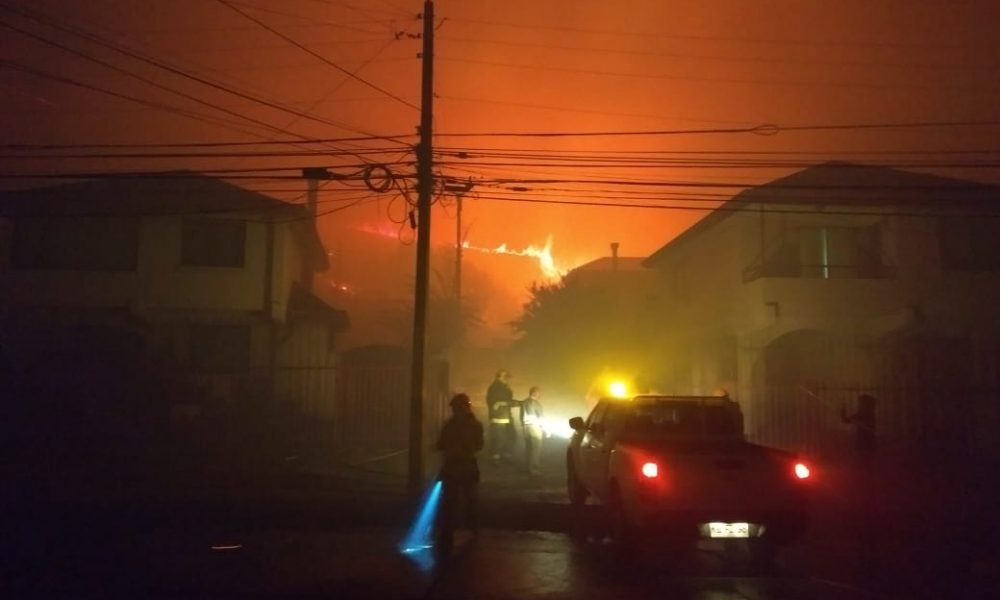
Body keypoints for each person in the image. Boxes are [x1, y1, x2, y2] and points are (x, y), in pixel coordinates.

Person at [435, 393, 484, 551]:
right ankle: (471, 531)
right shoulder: (475, 425)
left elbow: (440, 444)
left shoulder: (450, 425)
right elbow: (479, 445)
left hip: (453, 466)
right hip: (467, 465)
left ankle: (448, 533)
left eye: (456, 407)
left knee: (450, 501)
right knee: (469, 499)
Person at [485, 369, 516, 465]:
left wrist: (512, 403)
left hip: (505, 416)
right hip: (499, 417)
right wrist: (509, 403)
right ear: (500, 376)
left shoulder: (503, 387)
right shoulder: (496, 387)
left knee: (511, 435)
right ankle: (496, 457)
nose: (507, 379)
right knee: (499, 438)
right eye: (505, 377)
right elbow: (495, 402)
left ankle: (503, 455)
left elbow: (506, 400)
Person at [841, 394, 877, 471]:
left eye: (861, 403)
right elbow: (846, 420)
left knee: (865, 462)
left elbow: (846, 420)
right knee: (862, 462)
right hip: (862, 442)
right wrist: (843, 409)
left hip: (867, 442)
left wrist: (861, 424)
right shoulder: (862, 414)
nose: (859, 405)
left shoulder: (868, 415)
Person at [519, 386, 546, 476]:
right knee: (535, 449)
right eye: (539, 393)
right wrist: (545, 429)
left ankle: (528, 467)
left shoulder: (524, 402)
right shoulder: (536, 403)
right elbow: (540, 417)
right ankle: (534, 469)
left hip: (526, 428)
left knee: (529, 448)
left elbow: (521, 417)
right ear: (535, 393)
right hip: (535, 428)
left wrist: (523, 427)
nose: (540, 394)